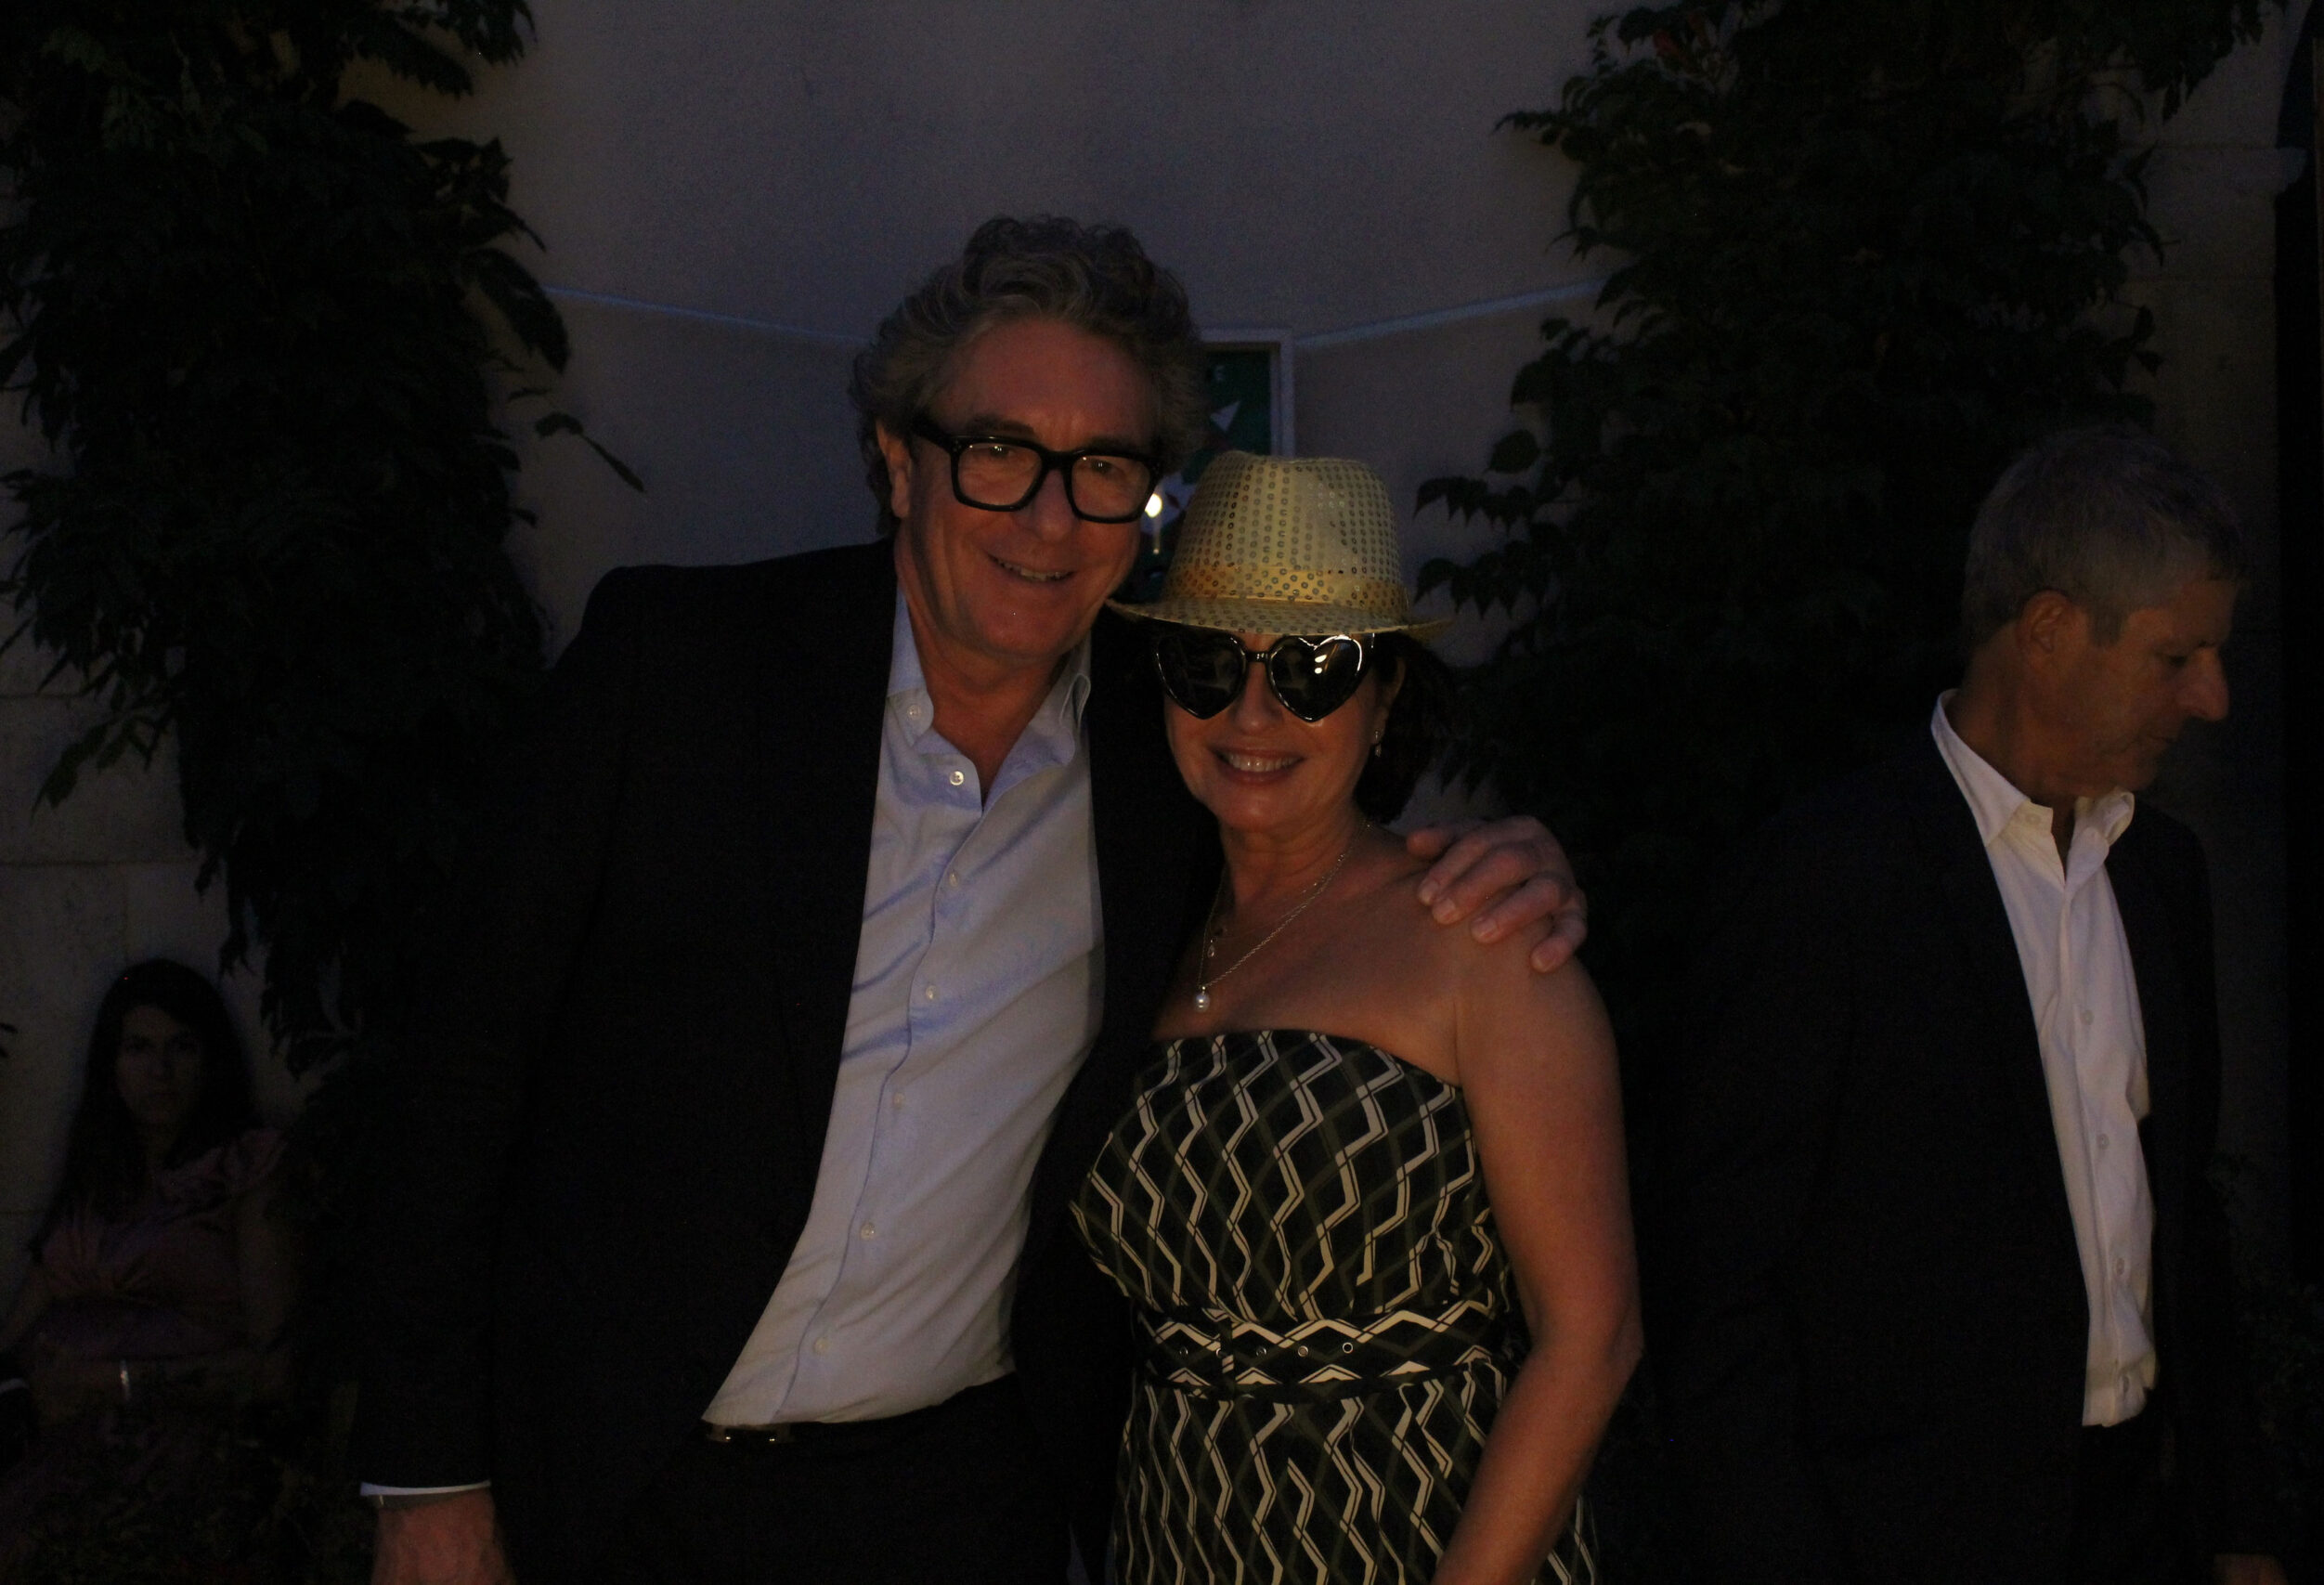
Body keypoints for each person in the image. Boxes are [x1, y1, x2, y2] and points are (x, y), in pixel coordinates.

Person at [357, 216, 1586, 1585]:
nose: (1049, 519)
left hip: (958, 1505)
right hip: (617, 1484)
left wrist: (1512, 863)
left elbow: (1319, 830)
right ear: (899, 460)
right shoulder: (681, 671)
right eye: (1000, 450)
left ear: (1145, 506)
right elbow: (457, 1070)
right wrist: (428, 1475)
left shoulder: (1167, 754)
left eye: (1103, 468)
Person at [1649, 426, 2284, 1584]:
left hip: (2139, 1525)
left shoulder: (2160, 874)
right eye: (2175, 657)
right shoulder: (1825, 884)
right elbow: (1724, 1291)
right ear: (2047, 632)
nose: (2213, 697)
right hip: (1904, 1539)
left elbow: (2181, 1218)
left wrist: (2237, 1522)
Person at [1072, 453, 1641, 1585]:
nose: (1253, 711)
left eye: (1313, 667)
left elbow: (1590, 1339)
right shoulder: (1131, 937)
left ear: (1384, 701)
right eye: (1206, 662)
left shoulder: (1481, 940)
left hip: (1418, 1539)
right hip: (1174, 1541)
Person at [0, 959, 293, 1569]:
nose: (160, 1071)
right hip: (57, 1442)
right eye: (138, 1048)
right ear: (111, 1064)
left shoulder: (245, 1169)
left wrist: (116, 1381)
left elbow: (278, 1368)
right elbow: (15, 1335)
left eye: (181, 1047)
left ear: (209, 1058)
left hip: (178, 1453)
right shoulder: (99, 1179)